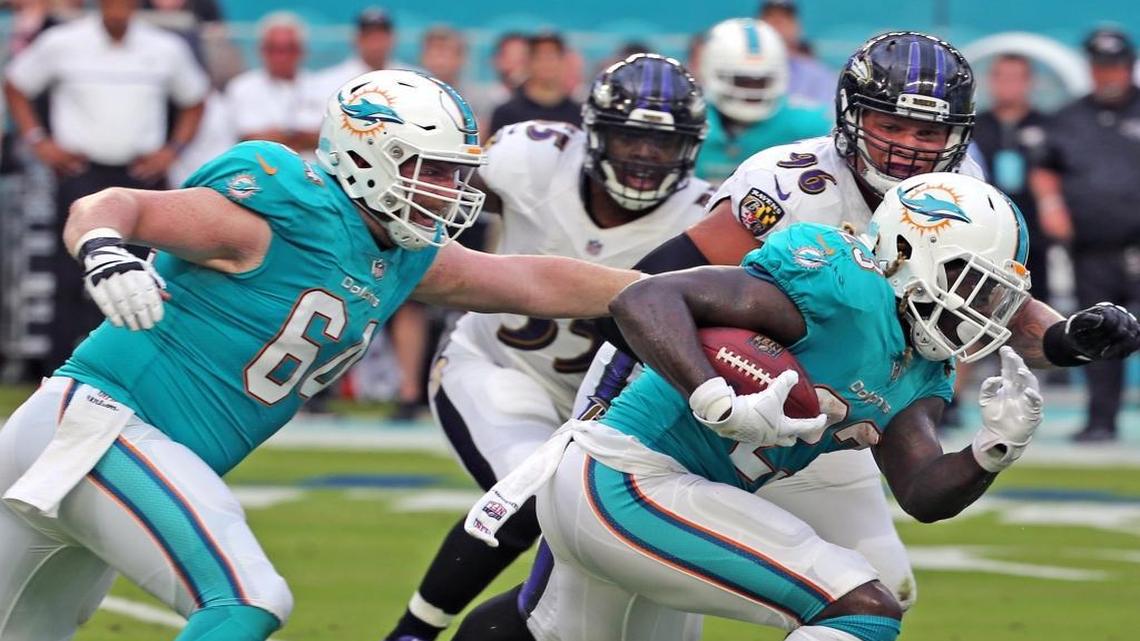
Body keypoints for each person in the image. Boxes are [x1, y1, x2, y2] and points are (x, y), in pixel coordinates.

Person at [449, 31, 1140, 641]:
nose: (909, 146)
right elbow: (650, 291)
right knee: (575, 608)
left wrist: (1063, 346)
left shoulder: (959, 194)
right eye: (890, 122)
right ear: (850, 117)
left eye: (929, 133)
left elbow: (984, 304)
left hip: (840, 405)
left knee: (880, 588)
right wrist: (716, 383)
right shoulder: (792, 189)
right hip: (711, 393)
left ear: (957, 138)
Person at [0, 69, 643, 641]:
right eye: (432, 169)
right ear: (369, 155)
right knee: (247, 600)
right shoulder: (281, 211)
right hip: (104, 426)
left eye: (456, 171)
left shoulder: (398, 255)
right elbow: (119, 204)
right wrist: (104, 249)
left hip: (95, 442)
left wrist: (666, 295)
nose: (451, 189)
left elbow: (533, 281)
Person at [465, 172, 1041, 641]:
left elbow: (921, 491)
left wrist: (992, 451)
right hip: (626, 475)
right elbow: (644, 296)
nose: (979, 309)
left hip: (647, 499)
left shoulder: (923, 367)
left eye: (992, 294)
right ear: (910, 253)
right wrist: (712, 397)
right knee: (861, 610)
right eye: (971, 284)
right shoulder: (841, 286)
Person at [381, 53, 711, 641]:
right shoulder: (528, 157)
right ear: (593, 132)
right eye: (630, 137)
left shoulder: (706, 220)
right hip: (501, 370)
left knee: (656, 577)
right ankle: (412, 633)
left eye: (662, 144)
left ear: (689, 149)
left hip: (614, 418)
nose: (644, 156)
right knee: (543, 493)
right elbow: (434, 192)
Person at [3, 0, 208, 373]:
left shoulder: (164, 47)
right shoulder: (63, 41)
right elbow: (16, 83)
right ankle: (57, 372)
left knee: (145, 275)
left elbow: (194, 99)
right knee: (67, 275)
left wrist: (172, 150)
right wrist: (38, 140)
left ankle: (134, 373)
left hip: (140, 179)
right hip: (81, 174)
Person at [1030, 27, 1140, 443]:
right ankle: (1100, 420)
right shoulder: (1069, 117)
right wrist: (1052, 205)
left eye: (1114, 67)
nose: (1107, 75)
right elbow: (1044, 166)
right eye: (1099, 67)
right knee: (1100, 331)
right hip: (1091, 248)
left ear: (1128, 67)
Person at [696, 18, 832, 184]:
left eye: (761, 82)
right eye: (741, 81)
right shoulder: (691, 119)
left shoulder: (812, 126)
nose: (751, 91)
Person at [973, 53, 1051, 300]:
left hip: (1037, 233)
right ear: (990, 81)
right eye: (1002, 77)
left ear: (1030, 82)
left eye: (1016, 78)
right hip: (987, 232)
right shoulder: (974, 127)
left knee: (1036, 302)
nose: (1008, 84)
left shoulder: (1049, 127)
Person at [224, 11, 324, 160]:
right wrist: (300, 137)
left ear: (301, 51)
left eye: (288, 49)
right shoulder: (242, 87)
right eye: (273, 49)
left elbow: (326, 139)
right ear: (261, 50)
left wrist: (279, 136)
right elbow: (247, 139)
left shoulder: (322, 85)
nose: (281, 57)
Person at [488, 32, 582, 137]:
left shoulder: (580, 115)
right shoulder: (506, 113)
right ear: (528, 62)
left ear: (564, 62)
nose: (546, 63)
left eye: (552, 56)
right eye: (539, 57)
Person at [757, 0, 836, 105]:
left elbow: (828, 114)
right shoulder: (743, 69)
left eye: (785, 18)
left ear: (797, 27)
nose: (777, 23)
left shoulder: (817, 75)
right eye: (770, 17)